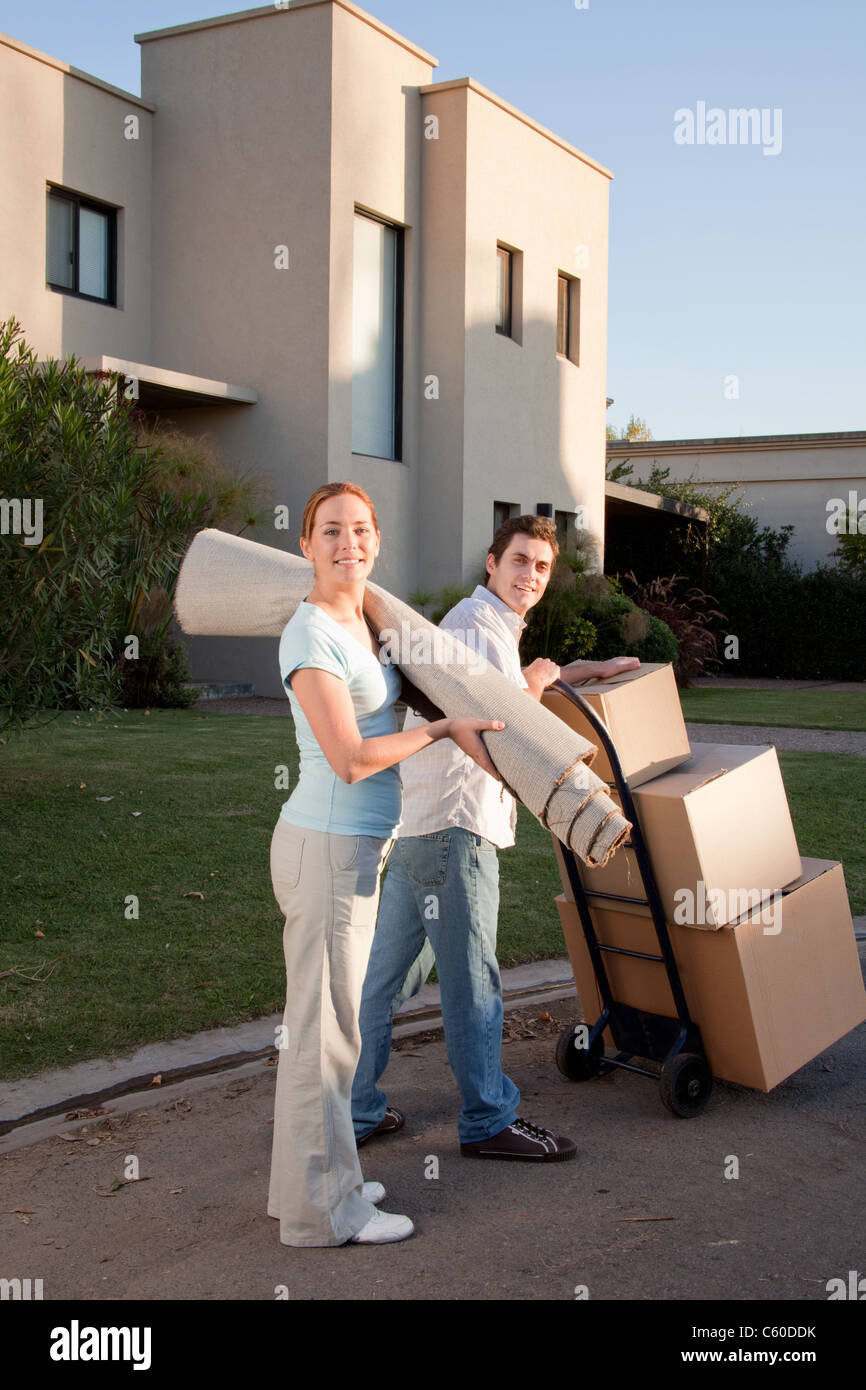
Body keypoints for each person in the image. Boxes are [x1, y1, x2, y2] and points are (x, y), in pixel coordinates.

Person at [352, 515, 640, 1161]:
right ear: (491, 562)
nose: (530, 576)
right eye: (519, 561)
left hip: (425, 829)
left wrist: (588, 670)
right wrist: (536, 684)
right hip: (458, 830)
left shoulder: (484, 626)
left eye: (541, 567)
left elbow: (510, 682)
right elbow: (494, 720)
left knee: (383, 982)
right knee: (474, 983)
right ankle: (488, 1121)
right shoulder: (475, 626)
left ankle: (353, 1109)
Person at [267, 481, 506, 1247]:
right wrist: (441, 733)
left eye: (362, 530)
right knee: (326, 1037)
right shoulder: (311, 636)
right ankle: (325, 1216)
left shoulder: (363, 619)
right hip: (329, 848)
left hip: (355, 849)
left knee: (326, 1032)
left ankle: (312, 1188)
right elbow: (350, 757)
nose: (350, 543)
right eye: (331, 531)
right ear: (305, 544)